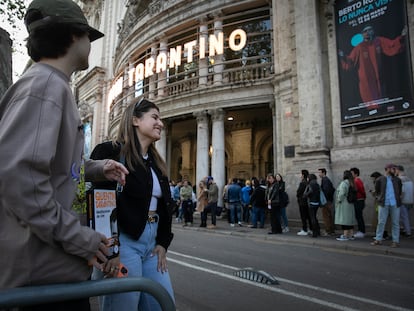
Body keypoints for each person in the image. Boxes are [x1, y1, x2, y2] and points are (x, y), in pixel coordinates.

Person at [0, 0, 129, 309]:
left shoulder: (50, 86)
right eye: (88, 35)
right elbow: (21, 180)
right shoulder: (45, 87)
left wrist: (96, 168)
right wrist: (80, 239)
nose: (89, 44)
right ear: (73, 36)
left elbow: (51, 165)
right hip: (41, 280)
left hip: (51, 274)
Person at [90, 99, 175, 310]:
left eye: (160, 119)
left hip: (152, 245)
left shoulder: (156, 162)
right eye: (155, 117)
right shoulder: (109, 151)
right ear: (135, 120)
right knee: (122, 306)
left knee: (164, 303)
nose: (161, 123)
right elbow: (97, 200)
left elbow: (165, 207)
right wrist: (111, 249)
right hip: (123, 244)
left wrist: (163, 242)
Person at [339, 25, 407, 104]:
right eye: (365, 31)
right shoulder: (359, 47)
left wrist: (402, 36)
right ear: (362, 34)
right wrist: (342, 55)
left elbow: (391, 45)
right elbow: (350, 61)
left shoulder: (379, 41)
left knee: (383, 98)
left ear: (373, 31)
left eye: (369, 30)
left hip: (381, 78)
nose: (367, 33)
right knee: (371, 100)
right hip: (367, 81)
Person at [371, 164, 402, 248]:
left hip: (395, 203)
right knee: (381, 222)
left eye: (395, 169)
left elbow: (399, 191)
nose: (395, 170)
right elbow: (377, 191)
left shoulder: (398, 180)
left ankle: (395, 241)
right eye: (393, 169)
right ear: (387, 169)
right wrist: (379, 199)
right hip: (383, 203)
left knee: (395, 223)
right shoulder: (380, 179)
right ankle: (378, 239)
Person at [335, 170, 357, 241]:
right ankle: (351, 235)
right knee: (349, 220)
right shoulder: (352, 183)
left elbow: (341, 193)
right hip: (350, 204)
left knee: (344, 220)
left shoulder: (344, 183)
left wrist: (338, 200)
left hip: (344, 203)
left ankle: (345, 235)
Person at [395, 165, 412, 237]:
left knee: (404, 217)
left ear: (398, 170)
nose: (395, 172)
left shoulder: (399, 179)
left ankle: (408, 232)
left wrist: (399, 200)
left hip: (403, 201)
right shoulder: (409, 179)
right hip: (410, 200)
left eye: (395, 170)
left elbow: (402, 191)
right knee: (404, 216)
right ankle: (404, 230)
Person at [318, 168, 336, 236]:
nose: (319, 174)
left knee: (326, 216)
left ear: (323, 173)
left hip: (326, 201)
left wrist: (323, 201)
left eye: (320, 172)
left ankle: (328, 231)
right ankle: (331, 230)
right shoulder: (326, 180)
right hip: (328, 200)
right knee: (329, 216)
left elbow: (326, 191)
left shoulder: (325, 180)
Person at [350, 167, 367, 238]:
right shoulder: (354, 181)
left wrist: (363, 197)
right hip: (358, 200)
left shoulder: (357, 181)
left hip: (359, 200)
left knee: (359, 216)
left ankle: (362, 231)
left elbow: (362, 190)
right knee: (358, 216)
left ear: (356, 174)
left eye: (352, 173)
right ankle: (361, 230)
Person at [296, 170, 312, 236]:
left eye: (301, 174)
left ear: (303, 175)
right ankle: (310, 229)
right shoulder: (308, 182)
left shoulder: (302, 183)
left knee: (303, 216)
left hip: (302, 202)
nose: (300, 175)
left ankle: (305, 229)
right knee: (309, 216)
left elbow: (298, 192)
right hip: (307, 202)